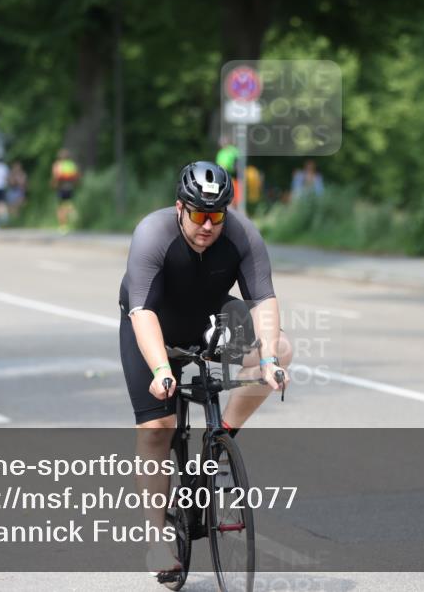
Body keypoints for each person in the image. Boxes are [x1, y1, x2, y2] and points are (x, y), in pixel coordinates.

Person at [118, 161, 291, 573]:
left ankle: (221, 442)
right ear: (180, 208)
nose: (208, 225)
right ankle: (157, 542)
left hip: (209, 317)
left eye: (217, 215)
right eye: (199, 215)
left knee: (281, 349)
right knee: (157, 430)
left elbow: (263, 300)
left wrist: (267, 359)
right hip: (153, 322)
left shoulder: (242, 235)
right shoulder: (152, 234)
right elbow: (141, 312)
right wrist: (162, 369)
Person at [50, 149, 80, 233]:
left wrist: (53, 184)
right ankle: (71, 211)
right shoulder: (71, 164)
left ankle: (63, 225)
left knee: (61, 207)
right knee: (67, 203)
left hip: (61, 187)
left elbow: (56, 176)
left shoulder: (58, 165)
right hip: (70, 187)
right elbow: (76, 177)